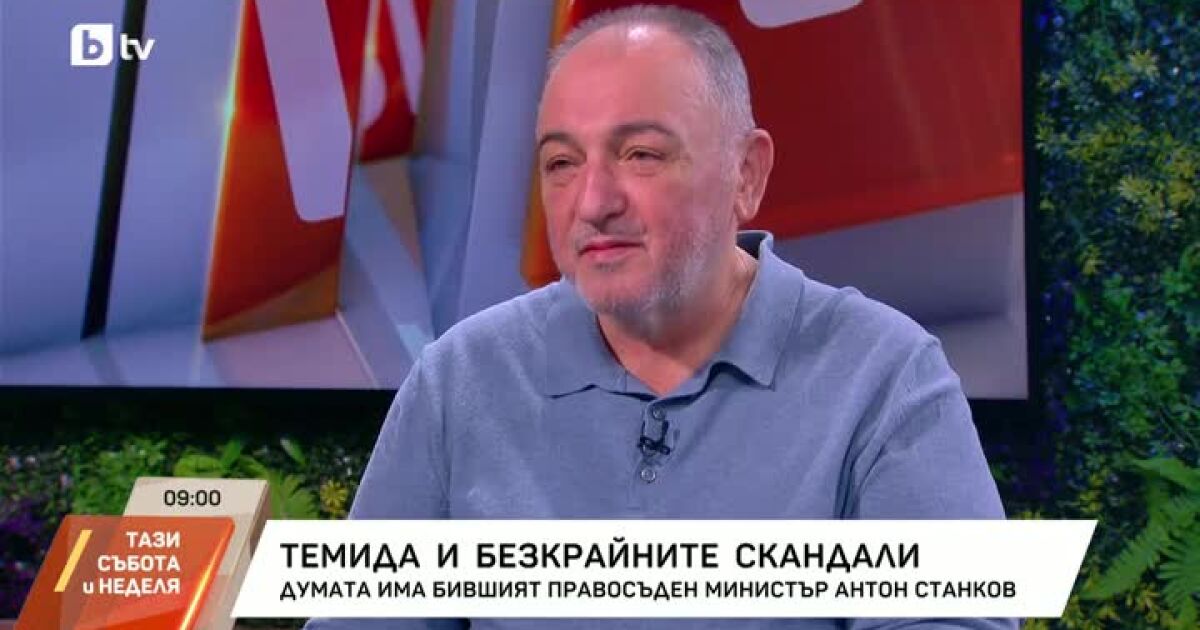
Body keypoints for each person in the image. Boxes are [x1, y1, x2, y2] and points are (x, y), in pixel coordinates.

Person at [307, 5, 1013, 629]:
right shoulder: (460, 380)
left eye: (640, 154)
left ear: (746, 174)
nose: (592, 203)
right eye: (561, 163)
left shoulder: (884, 377)